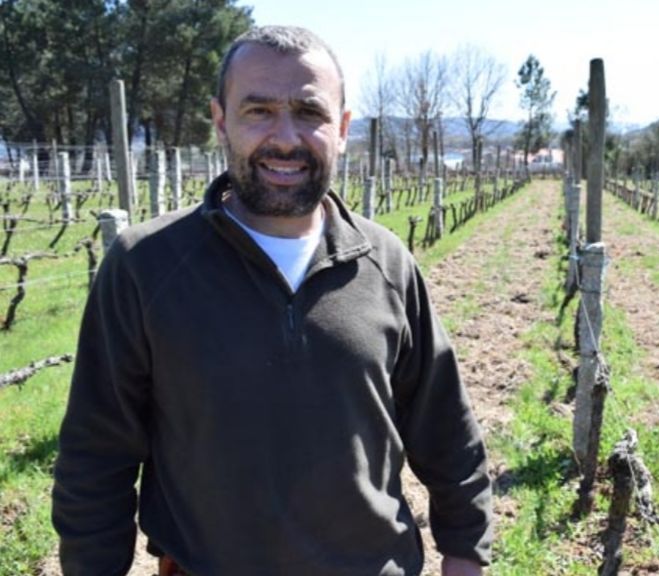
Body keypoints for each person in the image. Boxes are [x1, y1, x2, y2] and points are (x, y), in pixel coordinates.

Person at [52, 25, 492, 576]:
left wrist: (466, 551)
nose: (285, 138)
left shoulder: (386, 262)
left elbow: (446, 426)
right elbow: (97, 454)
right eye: (258, 110)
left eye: (309, 112)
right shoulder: (147, 266)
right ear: (220, 121)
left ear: (342, 128)